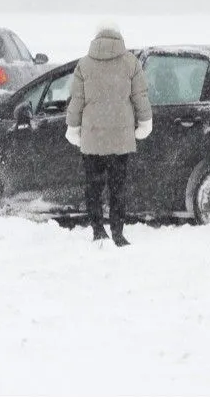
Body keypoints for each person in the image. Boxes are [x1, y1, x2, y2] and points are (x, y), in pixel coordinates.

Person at [65, 24, 153, 246]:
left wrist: (73, 127)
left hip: (93, 137)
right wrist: (144, 122)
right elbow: (140, 97)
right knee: (118, 188)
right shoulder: (131, 62)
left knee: (93, 186)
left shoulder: (84, 65)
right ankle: (118, 232)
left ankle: (97, 230)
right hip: (120, 138)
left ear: (96, 39)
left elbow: (77, 101)